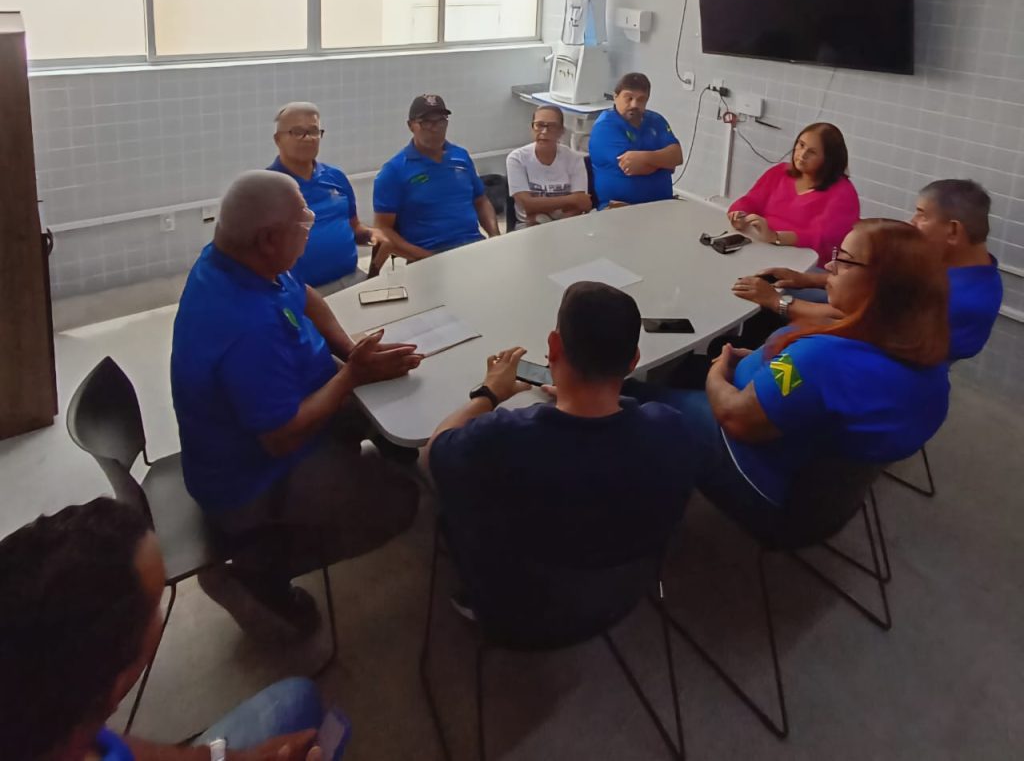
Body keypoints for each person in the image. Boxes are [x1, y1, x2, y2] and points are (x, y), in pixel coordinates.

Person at [171, 170, 422, 638]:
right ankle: (255, 571)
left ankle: (371, 456)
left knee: (388, 398)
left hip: (293, 404)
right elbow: (281, 437)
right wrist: (351, 376)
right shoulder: (246, 329)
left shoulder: (234, 259)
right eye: (302, 224)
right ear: (268, 239)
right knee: (404, 504)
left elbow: (303, 296)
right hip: (254, 479)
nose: (310, 227)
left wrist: (350, 353)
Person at [628, 220, 951, 533]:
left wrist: (719, 370)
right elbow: (798, 378)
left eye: (844, 260)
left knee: (633, 393)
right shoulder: (924, 355)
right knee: (689, 369)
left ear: (884, 284)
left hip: (767, 489)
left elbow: (734, 415)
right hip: (822, 491)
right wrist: (756, 361)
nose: (830, 267)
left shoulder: (819, 360)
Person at [426, 282, 696, 623]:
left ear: (553, 347)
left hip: (518, 613)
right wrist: (578, 399)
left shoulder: (501, 439)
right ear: (634, 361)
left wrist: (488, 394)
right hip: (622, 595)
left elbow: (434, 452)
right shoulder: (672, 429)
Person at [0, 497, 325, 761]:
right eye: (154, 606)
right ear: (117, 683)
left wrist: (223, 759)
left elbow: (128, 749)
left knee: (299, 698)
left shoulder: (58, 707)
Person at [735, 179, 1003, 360]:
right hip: (869, 338)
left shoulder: (957, 299)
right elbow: (876, 285)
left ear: (953, 230)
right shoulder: (964, 265)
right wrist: (807, 279)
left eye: (922, 214)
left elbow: (850, 315)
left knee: (770, 313)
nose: (912, 222)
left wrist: (777, 301)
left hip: (866, 356)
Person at [372, 94, 499, 262]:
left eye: (441, 120)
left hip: (473, 247)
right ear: (411, 126)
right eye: (426, 122)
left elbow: (480, 201)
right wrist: (426, 258)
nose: (435, 128)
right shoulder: (393, 171)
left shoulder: (461, 156)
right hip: (428, 256)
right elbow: (383, 229)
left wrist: (495, 236)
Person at [268, 102, 375, 293]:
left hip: (352, 280)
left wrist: (375, 235)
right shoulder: (268, 187)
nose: (308, 138)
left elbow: (354, 226)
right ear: (278, 139)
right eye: (298, 131)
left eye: (314, 131)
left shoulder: (335, 177)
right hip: (300, 293)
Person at [728, 122, 860, 268]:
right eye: (801, 145)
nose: (802, 155)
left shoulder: (843, 193)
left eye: (812, 152)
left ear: (828, 160)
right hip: (764, 250)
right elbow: (751, 200)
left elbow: (819, 238)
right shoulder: (779, 172)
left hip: (807, 267)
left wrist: (775, 237)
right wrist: (738, 215)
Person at [587, 72, 684, 209]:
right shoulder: (605, 126)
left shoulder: (656, 120)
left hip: (662, 205)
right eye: (629, 98)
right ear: (615, 97)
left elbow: (677, 157)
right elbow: (633, 167)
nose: (634, 104)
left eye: (641, 100)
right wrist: (663, 162)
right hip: (619, 208)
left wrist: (643, 157)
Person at [505, 105, 592, 228]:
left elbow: (580, 205)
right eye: (539, 125)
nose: (544, 132)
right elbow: (526, 205)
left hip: (566, 223)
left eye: (552, 126)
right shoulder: (517, 158)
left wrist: (541, 208)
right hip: (528, 226)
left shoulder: (574, 159)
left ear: (561, 131)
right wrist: (571, 199)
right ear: (532, 128)